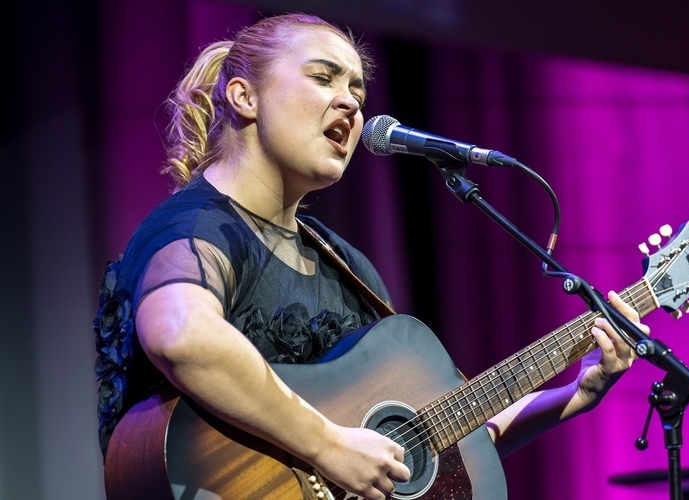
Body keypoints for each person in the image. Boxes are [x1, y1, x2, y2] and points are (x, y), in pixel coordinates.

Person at [93, 12, 647, 500]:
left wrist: (575, 394)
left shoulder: (346, 265)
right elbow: (181, 335)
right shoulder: (197, 226)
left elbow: (431, 440)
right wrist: (326, 445)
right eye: (323, 77)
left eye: (358, 90)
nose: (351, 102)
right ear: (244, 97)